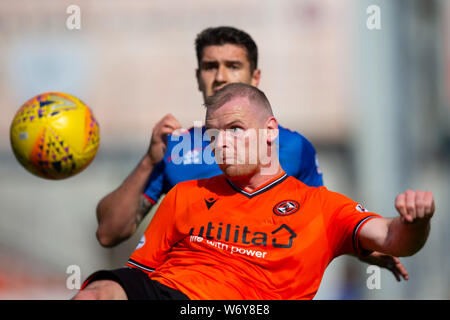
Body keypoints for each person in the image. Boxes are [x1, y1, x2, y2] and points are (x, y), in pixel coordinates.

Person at [95, 26, 408, 281]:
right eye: (210, 66)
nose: (220, 76)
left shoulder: (293, 147)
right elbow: (109, 233)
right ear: (197, 77)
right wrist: (149, 161)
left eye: (233, 66)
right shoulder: (175, 146)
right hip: (183, 286)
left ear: (255, 77)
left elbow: (318, 225)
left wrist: (369, 249)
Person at [74, 83, 434, 300]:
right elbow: (138, 275)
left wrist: (416, 222)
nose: (222, 144)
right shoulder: (185, 193)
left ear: (270, 131)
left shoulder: (321, 206)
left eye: (235, 129)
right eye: (214, 135)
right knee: (98, 292)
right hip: (171, 292)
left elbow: (392, 236)